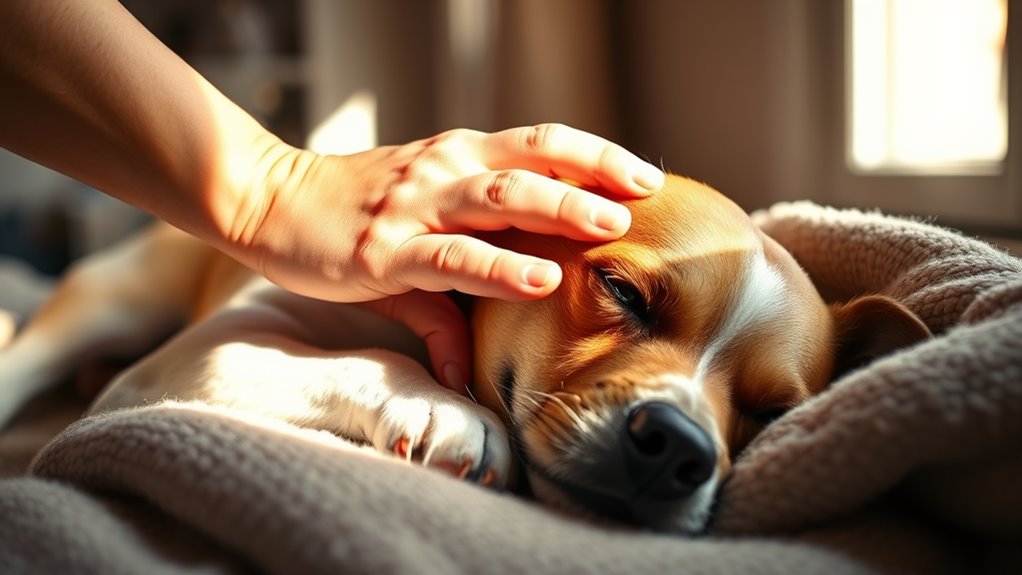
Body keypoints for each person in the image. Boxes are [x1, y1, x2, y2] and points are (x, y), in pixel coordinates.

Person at [0, 0, 663, 392]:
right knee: (38, 357)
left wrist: (270, 189)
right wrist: (273, 188)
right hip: (188, 262)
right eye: (624, 294)